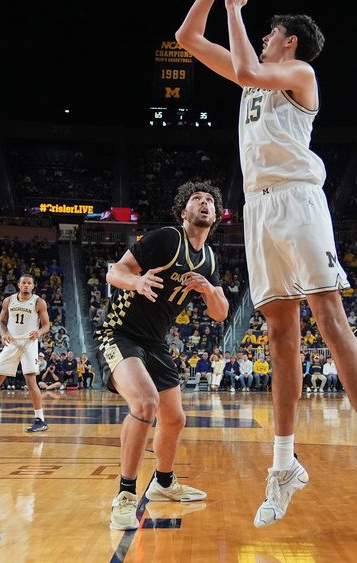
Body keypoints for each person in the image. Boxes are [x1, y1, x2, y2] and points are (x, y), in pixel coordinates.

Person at [177, 0, 357, 527]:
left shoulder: (299, 73)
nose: (262, 36)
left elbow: (250, 69)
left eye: (270, 31)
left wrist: (236, 5)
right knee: (280, 335)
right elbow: (185, 38)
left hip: (299, 200)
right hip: (257, 207)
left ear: (291, 40)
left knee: (329, 318)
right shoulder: (252, 72)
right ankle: (284, 466)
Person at [94, 182, 229, 530]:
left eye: (210, 200)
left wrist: (208, 289)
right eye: (197, 199)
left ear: (215, 216)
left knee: (175, 419)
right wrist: (136, 283)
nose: (204, 203)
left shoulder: (209, 258)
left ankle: (163, 484)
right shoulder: (167, 239)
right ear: (183, 212)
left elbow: (220, 313)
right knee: (144, 404)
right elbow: (115, 272)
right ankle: (124, 497)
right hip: (118, 334)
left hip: (154, 343)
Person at [0, 275, 52, 434]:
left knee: (31, 381)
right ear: (18, 284)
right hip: (11, 343)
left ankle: (40, 419)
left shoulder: (38, 302)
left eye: (29, 283)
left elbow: (46, 325)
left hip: (29, 343)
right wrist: (3, 334)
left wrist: (38, 332)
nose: (26, 285)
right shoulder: (9, 301)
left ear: (33, 286)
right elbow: (2, 323)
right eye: (23, 283)